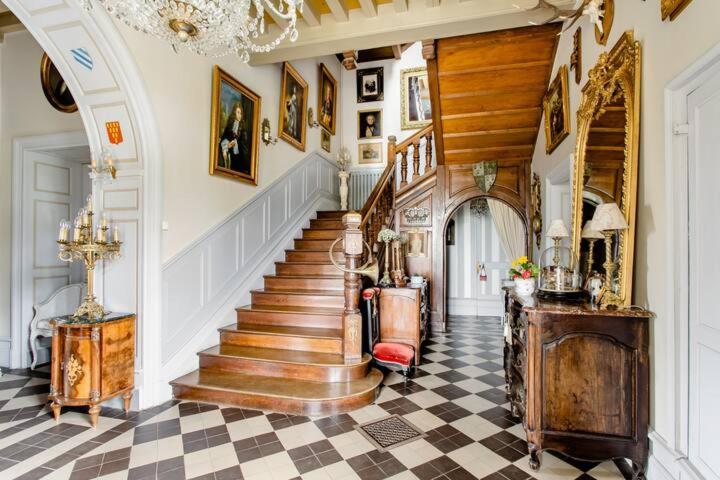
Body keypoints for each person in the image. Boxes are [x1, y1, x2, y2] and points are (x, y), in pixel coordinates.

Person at [220, 101, 250, 173]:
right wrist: (226, 148)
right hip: (233, 158)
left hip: (241, 158)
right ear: (234, 113)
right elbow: (223, 140)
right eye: (238, 112)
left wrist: (235, 142)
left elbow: (244, 145)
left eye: (241, 113)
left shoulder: (243, 128)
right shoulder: (229, 127)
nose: (240, 115)